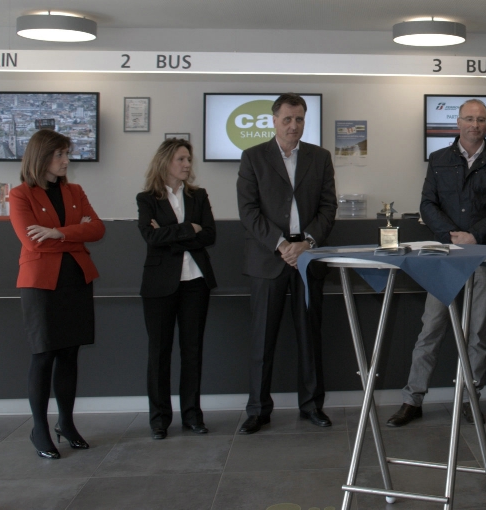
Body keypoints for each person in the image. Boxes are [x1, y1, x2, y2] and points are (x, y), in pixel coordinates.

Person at [386, 98, 486, 428]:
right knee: (430, 329)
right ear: (457, 123)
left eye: (481, 119)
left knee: (477, 334)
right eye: (469, 119)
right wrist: (451, 236)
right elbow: (427, 204)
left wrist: (473, 236)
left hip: (482, 257)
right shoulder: (438, 159)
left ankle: (470, 399)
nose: (475, 125)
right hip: (444, 258)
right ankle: (412, 400)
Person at [236, 93, 337, 433]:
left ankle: (312, 406)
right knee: (262, 340)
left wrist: (306, 243)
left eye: (299, 119)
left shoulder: (320, 157)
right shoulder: (253, 157)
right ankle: (257, 410)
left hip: (307, 257)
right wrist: (282, 246)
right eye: (287, 119)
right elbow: (248, 211)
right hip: (268, 258)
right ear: (274, 121)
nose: (294, 126)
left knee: (310, 337)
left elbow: (328, 207)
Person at [9, 129, 105, 459]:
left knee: (69, 355)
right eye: (59, 154)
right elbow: (32, 241)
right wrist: (73, 234)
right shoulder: (21, 195)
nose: (66, 160)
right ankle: (39, 429)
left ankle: (66, 423)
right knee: (43, 355)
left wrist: (56, 233)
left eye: (67, 153)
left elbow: (98, 229)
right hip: (40, 284)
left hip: (75, 279)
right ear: (42, 157)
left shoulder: (74, 191)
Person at [137, 139, 217, 440]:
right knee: (159, 352)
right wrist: (187, 229)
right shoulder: (147, 199)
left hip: (195, 282)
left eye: (188, 159)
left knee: (192, 351)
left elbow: (209, 235)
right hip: (159, 285)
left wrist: (169, 234)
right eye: (181, 159)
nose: (187, 164)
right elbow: (150, 237)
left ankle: (192, 416)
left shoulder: (198, 195)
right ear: (165, 162)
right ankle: (159, 420)